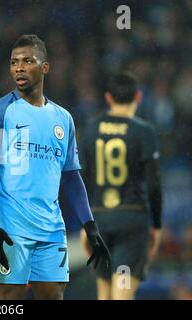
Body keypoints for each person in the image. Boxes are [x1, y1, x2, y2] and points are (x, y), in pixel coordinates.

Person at [0, 34, 111, 300]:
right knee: (9, 298)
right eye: (14, 62)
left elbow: (71, 177)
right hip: (11, 228)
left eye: (28, 61)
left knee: (52, 295)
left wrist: (90, 226)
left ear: (45, 67)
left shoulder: (64, 119)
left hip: (51, 229)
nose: (19, 67)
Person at [79, 72, 163, 300]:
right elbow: (153, 184)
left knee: (104, 294)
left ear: (108, 97)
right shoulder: (144, 132)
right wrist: (156, 225)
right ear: (138, 96)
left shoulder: (90, 130)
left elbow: (82, 181)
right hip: (130, 223)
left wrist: (85, 223)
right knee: (122, 294)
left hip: (99, 222)